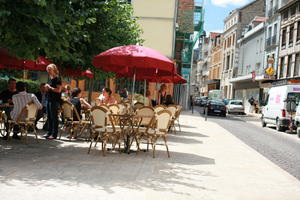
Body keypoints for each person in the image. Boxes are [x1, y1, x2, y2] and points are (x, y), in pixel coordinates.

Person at [44, 64, 62, 139]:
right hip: (49, 99)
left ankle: (54, 134)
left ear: (54, 69)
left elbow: (59, 90)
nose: (49, 71)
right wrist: (46, 88)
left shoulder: (57, 79)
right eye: (48, 70)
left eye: (50, 69)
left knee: (54, 117)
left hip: (55, 100)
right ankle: (49, 132)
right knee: (49, 117)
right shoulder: (50, 78)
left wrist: (50, 88)